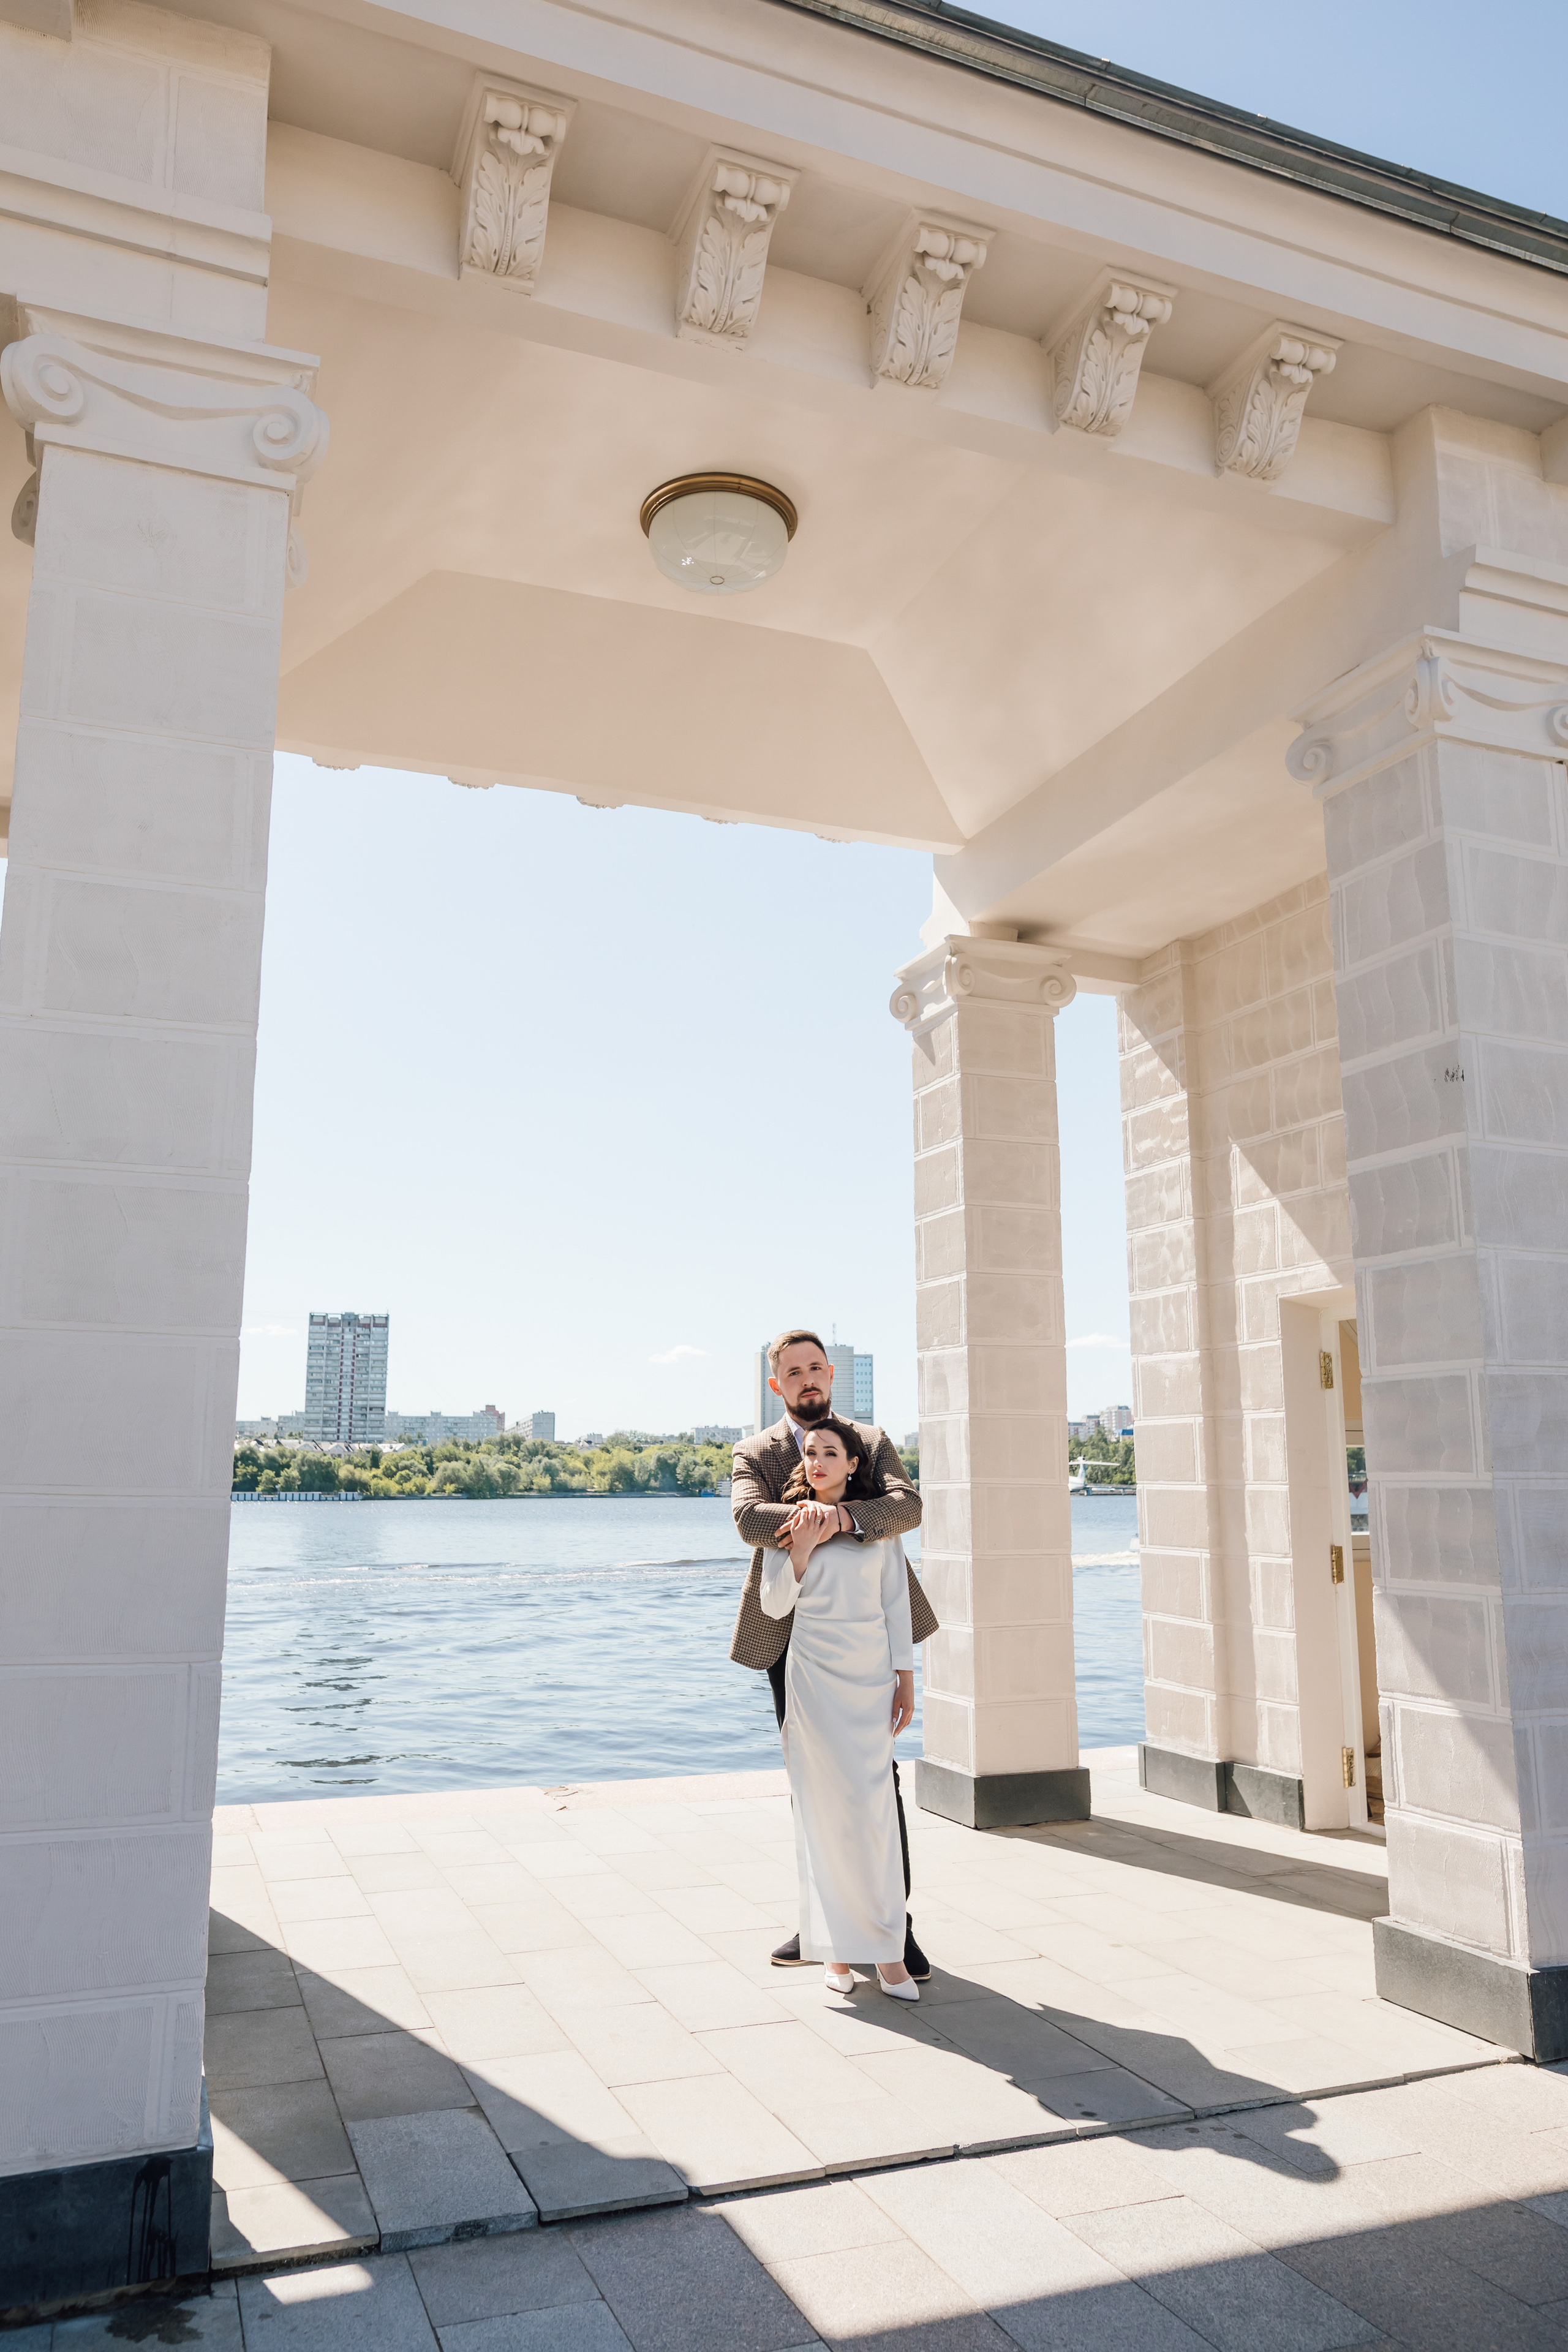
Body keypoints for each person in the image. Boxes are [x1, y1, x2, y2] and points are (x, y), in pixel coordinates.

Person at [730, 1329, 937, 1978]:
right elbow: (748, 1520)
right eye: (793, 1372)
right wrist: (809, 1519)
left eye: (815, 1367)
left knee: (878, 1782)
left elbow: (907, 1507)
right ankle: (821, 1922)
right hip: (788, 1637)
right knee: (811, 1782)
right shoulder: (754, 1451)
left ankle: (894, 1926)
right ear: (778, 1386)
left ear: (830, 1374)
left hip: (867, 1637)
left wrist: (844, 1519)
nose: (807, 1379)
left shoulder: (868, 1440)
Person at [760, 1415, 918, 1996]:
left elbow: (896, 1605)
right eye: (810, 1453)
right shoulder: (788, 1523)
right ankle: (834, 1955)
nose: (819, 1461)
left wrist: (905, 1679)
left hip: (870, 1679)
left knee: (874, 1815)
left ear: (853, 1464)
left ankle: (889, 1951)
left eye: (831, 1452)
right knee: (822, 1813)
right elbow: (774, 1606)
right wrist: (800, 1550)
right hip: (812, 1682)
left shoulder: (877, 1525)